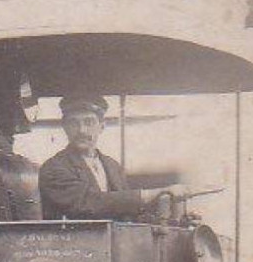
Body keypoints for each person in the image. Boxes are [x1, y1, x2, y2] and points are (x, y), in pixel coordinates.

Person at [38, 94, 187, 223]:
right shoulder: (54, 168)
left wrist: (170, 220)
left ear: (102, 126)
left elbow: (126, 214)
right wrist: (149, 194)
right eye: (73, 123)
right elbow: (89, 203)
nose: (82, 130)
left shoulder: (112, 166)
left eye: (89, 122)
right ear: (64, 127)